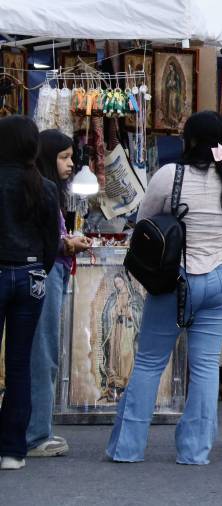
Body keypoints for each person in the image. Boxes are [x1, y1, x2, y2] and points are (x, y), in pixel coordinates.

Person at [106, 111, 222, 465]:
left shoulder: (170, 176)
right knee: (205, 366)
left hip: (179, 279)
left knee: (150, 361)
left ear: (188, 140)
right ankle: (195, 451)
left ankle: (128, 447)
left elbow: (145, 223)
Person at [26, 130, 91, 459]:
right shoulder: (42, 190)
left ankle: (34, 428)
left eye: (71, 157)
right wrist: (68, 244)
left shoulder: (45, 189)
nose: (70, 164)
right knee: (44, 351)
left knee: (42, 350)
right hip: (47, 273)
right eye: (63, 157)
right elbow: (43, 240)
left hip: (52, 271)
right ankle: (37, 433)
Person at [0, 116, 60, 471]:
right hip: (32, 275)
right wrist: (39, 268)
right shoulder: (44, 187)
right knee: (20, 363)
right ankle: (12, 449)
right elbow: (51, 241)